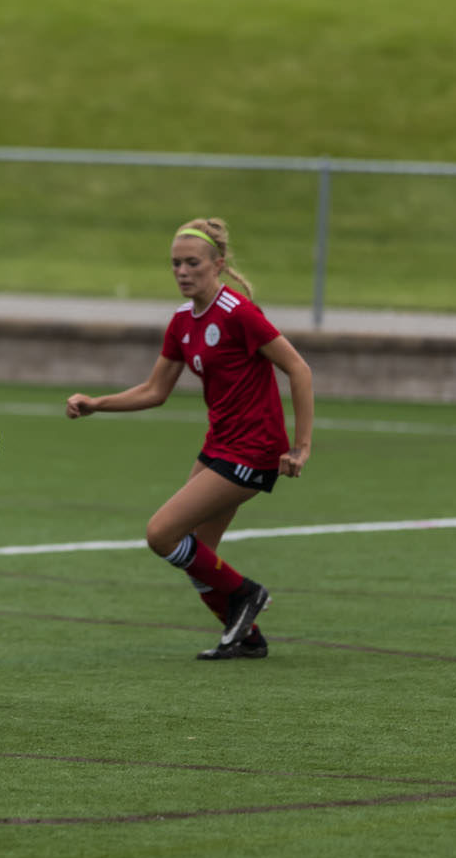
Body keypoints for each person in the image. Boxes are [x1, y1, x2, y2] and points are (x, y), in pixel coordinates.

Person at [65, 218, 314, 660]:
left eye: (192, 263)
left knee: (162, 534)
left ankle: (248, 593)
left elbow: (298, 368)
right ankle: (247, 637)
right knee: (199, 554)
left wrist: (301, 445)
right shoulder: (182, 322)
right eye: (175, 263)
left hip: (254, 449)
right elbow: (154, 391)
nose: (182, 271)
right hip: (219, 445)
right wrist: (97, 403)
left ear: (217, 264)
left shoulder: (239, 313)